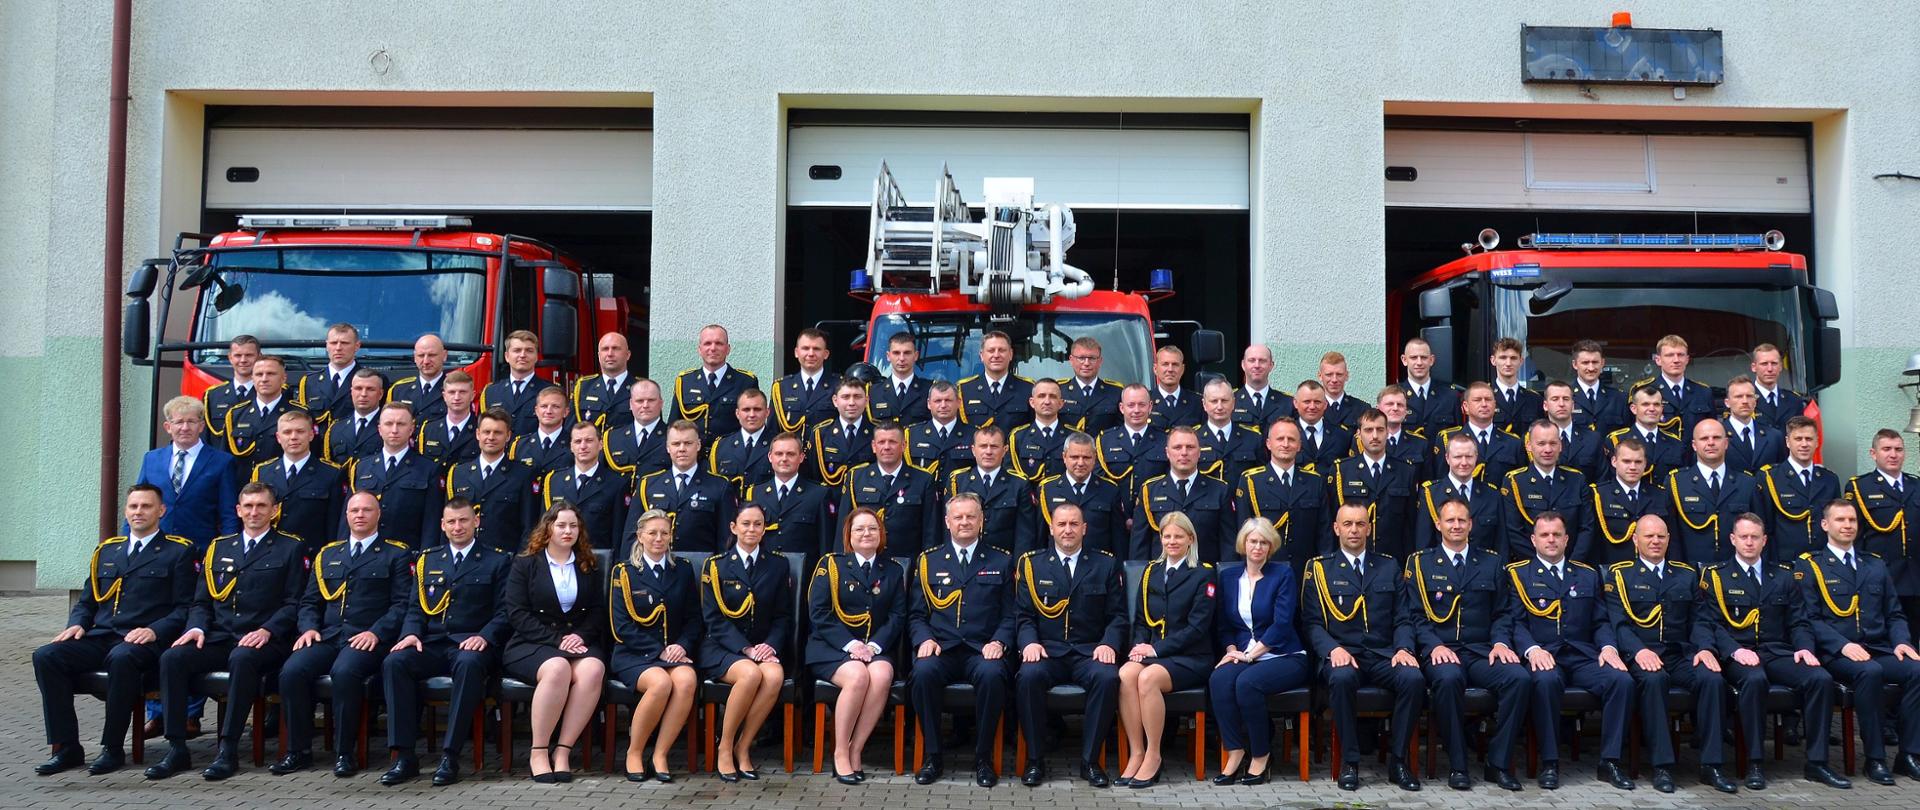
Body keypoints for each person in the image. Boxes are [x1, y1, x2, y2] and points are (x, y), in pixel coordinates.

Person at [148, 482, 307, 781]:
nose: (254, 512)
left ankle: (228, 748)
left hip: (265, 640)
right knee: (173, 658)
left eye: (261, 506)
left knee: (242, 659)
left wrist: (267, 630)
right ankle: (177, 747)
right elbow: (201, 601)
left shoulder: (290, 547)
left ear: (274, 511)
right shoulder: (219, 547)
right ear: (238, 510)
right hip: (220, 635)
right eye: (248, 506)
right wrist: (196, 627)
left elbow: (294, 603)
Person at [33, 485, 193, 777]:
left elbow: (186, 608)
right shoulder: (108, 551)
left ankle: (113, 748)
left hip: (143, 641)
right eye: (133, 507)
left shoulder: (178, 552)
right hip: (102, 637)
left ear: (161, 511)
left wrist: (155, 630)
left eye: (146, 506)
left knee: (122, 658)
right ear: (126, 511)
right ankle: (66, 746)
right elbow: (87, 601)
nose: (138, 512)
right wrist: (77, 624)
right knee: (47, 656)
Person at [1697, 512, 1848, 789]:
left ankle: (1817, 762)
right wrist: (1733, 651)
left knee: (1820, 679)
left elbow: (1799, 621)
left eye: (1755, 537)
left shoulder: (1784, 576)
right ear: (1732, 539)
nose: (1749, 543)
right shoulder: (1716, 577)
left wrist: (1804, 648)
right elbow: (1709, 623)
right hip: (1739, 653)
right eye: (1744, 537)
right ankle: (1755, 762)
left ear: (1765, 540)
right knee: (1754, 680)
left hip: (1777, 651)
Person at [272, 491, 412, 777]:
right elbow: (310, 601)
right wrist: (309, 627)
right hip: (328, 635)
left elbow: (402, 604)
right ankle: (298, 750)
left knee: (345, 672)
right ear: (346, 515)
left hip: (367, 638)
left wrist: (376, 632)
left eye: (366, 510)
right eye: (354, 510)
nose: (359, 515)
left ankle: (344, 752)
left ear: (378, 514)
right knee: (292, 671)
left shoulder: (396, 554)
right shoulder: (328, 554)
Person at [378, 498, 510, 786]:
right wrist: (410, 634)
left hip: (472, 644)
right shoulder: (429, 559)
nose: (458, 527)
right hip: (434, 641)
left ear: (476, 521)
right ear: (442, 525)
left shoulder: (498, 560)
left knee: (468, 664)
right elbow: (415, 608)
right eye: (451, 521)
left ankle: (450, 755)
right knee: (395, 661)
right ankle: (404, 756)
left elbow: (505, 612)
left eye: (463, 520)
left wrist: (485, 636)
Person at [1404, 498, 1529, 791]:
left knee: (1519, 679)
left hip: (1482, 650)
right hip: (1441, 650)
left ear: (1471, 524)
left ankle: (1497, 763)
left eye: (1462, 520)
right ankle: (1458, 765)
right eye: (1450, 520)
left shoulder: (1492, 561)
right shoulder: (1420, 563)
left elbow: (1502, 612)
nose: (1456, 525)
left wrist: (1500, 642)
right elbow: (1414, 616)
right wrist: (1433, 645)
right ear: (1438, 525)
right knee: (1448, 680)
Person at [1794, 499, 1920, 785]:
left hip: (1876, 647)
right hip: (1836, 652)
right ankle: (1875, 759)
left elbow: (1895, 613)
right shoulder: (1811, 566)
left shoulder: (1874, 564)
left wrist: (1902, 642)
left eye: (1851, 520)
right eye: (1840, 520)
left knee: (1916, 669)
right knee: (1870, 672)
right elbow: (1809, 618)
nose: (1847, 525)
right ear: (1825, 525)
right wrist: (1842, 645)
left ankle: (1909, 754)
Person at [1603, 514, 1729, 793]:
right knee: (1653, 680)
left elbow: (1699, 619)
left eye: (1661, 535)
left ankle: (1712, 765)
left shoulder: (1685, 574)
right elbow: (1619, 623)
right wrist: (1638, 651)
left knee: (1713, 679)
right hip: (1642, 655)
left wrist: (1706, 649)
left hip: (1679, 654)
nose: (1655, 541)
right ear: (1635, 540)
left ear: (1669, 539)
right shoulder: (1620, 574)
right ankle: (1662, 767)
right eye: (1649, 536)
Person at [1508, 511, 1633, 791]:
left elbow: (1600, 620)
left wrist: (1609, 648)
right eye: (1544, 535)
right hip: (1545, 654)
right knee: (1545, 681)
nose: (1551, 540)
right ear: (1533, 539)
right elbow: (1514, 622)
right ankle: (1550, 762)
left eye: (1556, 535)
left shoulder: (1587, 574)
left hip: (1583, 654)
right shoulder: (1518, 574)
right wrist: (1531, 649)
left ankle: (1610, 761)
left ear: (1567, 539)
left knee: (1621, 680)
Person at [1303, 503, 1424, 791]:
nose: (1354, 530)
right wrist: (1332, 649)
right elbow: (1311, 623)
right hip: (1343, 653)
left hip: (1383, 654)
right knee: (1341, 678)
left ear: (1369, 528)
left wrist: (1404, 649)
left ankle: (1398, 760)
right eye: (1348, 524)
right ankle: (1350, 761)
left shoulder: (1389, 565)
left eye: (1360, 524)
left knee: (1414, 679)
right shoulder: (1319, 568)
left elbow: (1403, 618)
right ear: (1336, 528)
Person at [1012, 502, 1125, 788]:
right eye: (1061, 524)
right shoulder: (1032, 564)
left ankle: (1090, 761)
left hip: (1089, 651)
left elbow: (1118, 615)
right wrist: (1030, 644)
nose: (1068, 530)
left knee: (1108, 676)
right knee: (1028, 676)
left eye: (1074, 524)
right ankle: (1035, 760)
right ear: (1051, 528)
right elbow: (1023, 615)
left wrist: (1109, 643)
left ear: (1084, 529)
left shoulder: (1106, 564)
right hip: (1048, 650)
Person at [909, 493, 1017, 788]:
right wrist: (924, 640)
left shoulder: (1002, 560)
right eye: (958, 517)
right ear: (947, 522)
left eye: (971, 516)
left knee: (993, 675)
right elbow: (917, 614)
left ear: (982, 521)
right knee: (922, 672)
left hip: (982, 650)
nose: (965, 522)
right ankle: (933, 756)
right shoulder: (928, 560)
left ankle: (983, 757)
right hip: (941, 647)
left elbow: (1011, 614)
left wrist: (999, 642)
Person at [502, 501, 606, 783]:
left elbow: (598, 610)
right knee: (558, 667)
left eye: (573, 525)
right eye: (561, 525)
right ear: (547, 528)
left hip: (577, 640)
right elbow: (516, 612)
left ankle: (562, 751)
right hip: (532, 641)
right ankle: (538, 751)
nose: (568, 531)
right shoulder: (525, 564)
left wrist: (580, 636)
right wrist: (558, 640)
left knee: (593, 669)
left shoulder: (588, 564)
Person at [1115, 512, 1217, 789]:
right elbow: (1140, 620)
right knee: (1126, 674)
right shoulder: (1151, 571)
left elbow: (1198, 628)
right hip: (1153, 652)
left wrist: (1155, 650)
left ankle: (1153, 754)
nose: (1172, 541)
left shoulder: (1203, 573)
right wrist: (1138, 648)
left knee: (1147, 679)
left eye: (1178, 536)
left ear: (1190, 539)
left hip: (1190, 656)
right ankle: (1136, 752)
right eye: (1167, 536)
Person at [807, 508, 907, 784]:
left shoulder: (893, 570)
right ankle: (840, 752)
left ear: (881, 534)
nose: (866, 534)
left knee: (882, 675)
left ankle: (856, 749)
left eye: (872, 529)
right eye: (859, 529)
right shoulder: (832, 565)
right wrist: (851, 645)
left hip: (874, 647)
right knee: (859, 676)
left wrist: (873, 646)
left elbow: (898, 616)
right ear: (848, 536)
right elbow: (819, 613)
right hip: (831, 647)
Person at [1208, 518, 1312, 786]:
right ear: (1243, 543)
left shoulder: (1283, 574)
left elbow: (1282, 624)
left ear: (1270, 546)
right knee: (1219, 679)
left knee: (1247, 683)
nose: (1257, 547)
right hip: (1243, 654)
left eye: (1263, 542)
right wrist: (1232, 651)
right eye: (1253, 541)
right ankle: (1235, 750)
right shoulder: (1229, 577)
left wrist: (1251, 655)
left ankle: (1261, 754)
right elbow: (1224, 625)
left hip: (1284, 655)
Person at [700, 505, 792, 781]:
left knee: (774, 676)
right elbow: (713, 618)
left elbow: (783, 616)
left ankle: (744, 746)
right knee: (751, 674)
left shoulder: (778, 564)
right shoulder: (715, 566)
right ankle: (725, 746)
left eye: (758, 524)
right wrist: (746, 649)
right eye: (746, 524)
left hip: (762, 646)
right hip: (723, 647)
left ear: (765, 529)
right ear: (733, 527)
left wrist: (770, 645)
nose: (752, 530)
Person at [609, 509, 700, 782]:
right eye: (652, 533)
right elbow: (620, 626)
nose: (659, 538)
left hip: (673, 652)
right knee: (660, 683)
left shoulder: (682, 568)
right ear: (640, 536)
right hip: (634, 654)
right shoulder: (624, 572)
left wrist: (682, 645)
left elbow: (694, 618)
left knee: (686, 680)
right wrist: (658, 650)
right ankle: (635, 752)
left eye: (664, 532)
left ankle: (660, 753)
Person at [136, 395, 241, 549]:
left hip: (200, 550)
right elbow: (137, 503)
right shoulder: (151, 459)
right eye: (178, 422)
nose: (185, 428)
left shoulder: (222, 462)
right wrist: (129, 543)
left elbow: (229, 514)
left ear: (201, 426)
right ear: (168, 427)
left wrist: (227, 550)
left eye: (191, 422)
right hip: (155, 550)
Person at [626, 419, 735, 556]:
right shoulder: (648, 484)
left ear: (698, 445)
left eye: (688, 443)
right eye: (676, 444)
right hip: (658, 566)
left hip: (702, 569)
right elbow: (631, 535)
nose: (682, 449)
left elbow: (726, 539)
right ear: (668, 447)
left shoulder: (720, 486)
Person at [1234, 417, 1329, 573]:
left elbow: (1324, 534)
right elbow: (1243, 532)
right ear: (1268, 444)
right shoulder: (1251, 481)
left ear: (1299, 446)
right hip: (1265, 570)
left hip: (1305, 571)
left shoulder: (1315, 482)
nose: (1285, 444)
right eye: (1280, 439)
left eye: (1291, 440)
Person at [345, 402, 445, 548]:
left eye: (401, 424)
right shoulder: (362, 467)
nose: (394, 430)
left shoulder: (429, 469)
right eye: (389, 424)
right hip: (367, 553)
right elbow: (348, 514)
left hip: (408, 552)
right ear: (379, 429)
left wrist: (425, 556)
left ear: (411, 429)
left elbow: (432, 520)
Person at [249, 408, 346, 558]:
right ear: (278, 437)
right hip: (270, 556)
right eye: (287, 432)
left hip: (310, 555)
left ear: (311, 434)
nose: (293, 437)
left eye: (300, 431)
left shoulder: (331, 473)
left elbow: (335, 523)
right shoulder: (263, 472)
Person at [1848, 429, 1920, 625]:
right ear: (1873, 453)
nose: (1893, 455)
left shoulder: (1916, 485)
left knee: (1913, 642)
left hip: (1915, 578)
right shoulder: (1860, 488)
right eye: (1886, 449)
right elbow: (1853, 536)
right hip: (1880, 576)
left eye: (1898, 449)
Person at [1327, 409, 1418, 561]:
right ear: (1358, 433)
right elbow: (1332, 519)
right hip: (1351, 558)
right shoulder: (1342, 470)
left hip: (1393, 559)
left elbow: (1411, 524)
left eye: (1380, 430)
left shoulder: (1406, 471)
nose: (1375, 436)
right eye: (1368, 430)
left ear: (1388, 432)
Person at [839, 422, 939, 560]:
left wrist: (926, 566)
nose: (886, 447)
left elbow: (930, 531)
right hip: (865, 563)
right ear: (874, 446)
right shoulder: (856, 477)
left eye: (892, 442)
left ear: (903, 445)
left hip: (907, 564)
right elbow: (844, 527)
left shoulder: (923, 480)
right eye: (881, 442)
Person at [1131, 427, 1232, 562]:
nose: (1184, 453)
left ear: (1199, 452)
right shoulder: (1149, 491)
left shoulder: (1220, 490)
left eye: (1190, 447)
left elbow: (1228, 543)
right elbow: (1139, 546)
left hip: (1206, 575)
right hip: (1160, 577)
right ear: (1167, 452)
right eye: (1177, 447)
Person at [444, 409, 537, 553]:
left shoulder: (523, 474)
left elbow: (528, 526)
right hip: (466, 559)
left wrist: (519, 562)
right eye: (486, 432)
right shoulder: (458, 473)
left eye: (498, 433)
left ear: (508, 436)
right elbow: (449, 518)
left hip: (506, 560)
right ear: (477, 434)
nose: (491, 437)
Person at [1668, 419, 1758, 565]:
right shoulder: (1677, 482)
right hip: (1691, 571)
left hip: (1736, 573)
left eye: (1716, 438)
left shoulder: (1746, 483)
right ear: (1694, 445)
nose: (1711, 443)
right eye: (1704, 438)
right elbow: (1672, 535)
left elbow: (1759, 530)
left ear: (1726, 443)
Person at [1501, 420, 1589, 561]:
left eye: (1553, 443)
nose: (1548, 450)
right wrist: (1541, 565)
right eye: (1541, 444)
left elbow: (1586, 528)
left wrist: (1571, 564)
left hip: (1573, 565)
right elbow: (1514, 532)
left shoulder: (1577, 480)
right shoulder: (1515, 481)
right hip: (1530, 568)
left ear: (1560, 445)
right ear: (1529, 446)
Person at [542, 421, 632, 553]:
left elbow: (618, 534)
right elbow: (545, 526)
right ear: (571, 446)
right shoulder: (554, 481)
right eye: (578, 441)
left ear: (600, 444)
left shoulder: (617, 483)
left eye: (589, 440)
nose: (583, 446)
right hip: (560, 559)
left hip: (597, 562)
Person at [1758, 415, 1838, 564]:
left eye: (1809, 439)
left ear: (1817, 442)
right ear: (1788, 442)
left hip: (1822, 563)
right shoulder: (1770, 477)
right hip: (1785, 563)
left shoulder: (1830, 480)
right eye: (1798, 439)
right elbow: (1765, 526)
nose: (1804, 444)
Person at [1578, 436, 1669, 566]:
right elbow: (1592, 539)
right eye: (1626, 461)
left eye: (1638, 462)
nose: (1632, 467)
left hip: (1651, 572)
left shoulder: (1660, 494)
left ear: (1645, 464)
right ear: (1614, 461)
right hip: (1612, 569)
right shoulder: (1598, 494)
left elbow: (1671, 539)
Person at [946, 426, 1038, 555]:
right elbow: (948, 526)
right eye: (983, 446)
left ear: (1005, 450)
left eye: (994, 447)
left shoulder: (1019, 484)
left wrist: (1018, 568)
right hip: (966, 559)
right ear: (973, 450)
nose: (988, 452)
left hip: (1004, 562)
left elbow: (1025, 534)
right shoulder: (957, 481)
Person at [1035, 432, 1127, 558]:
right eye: (1074, 457)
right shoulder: (1047, 490)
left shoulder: (1110, 490)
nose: (1080, 463)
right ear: (1064, 457)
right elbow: (1039, 536)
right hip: (1056, 567)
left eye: (1086, 457)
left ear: (1095, 458)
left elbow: (1118, 539)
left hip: (1098, 567)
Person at [745, 432, 834, 558]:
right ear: (770, 457)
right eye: (779, 454)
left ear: (801, 457)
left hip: (805, 574)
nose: (784, 459)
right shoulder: (755, 493)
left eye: (790, 454)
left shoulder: (819, 494)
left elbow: (826, 543)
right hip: (764, 572)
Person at [1413, 433, 1501, 553]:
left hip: (1484, 568)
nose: (1464, 463)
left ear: (1476, 457)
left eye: (1469, 456)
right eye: (1458, 457)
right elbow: (1424, 543)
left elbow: (1501, 543)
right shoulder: (1431, 493)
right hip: (1442, 568)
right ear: (1447, 458)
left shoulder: (1492, 494)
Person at [673, 324, 758, 443]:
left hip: (730, 456)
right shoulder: (684, 382)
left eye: (719, 343)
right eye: (707, 343)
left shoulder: (746, 382)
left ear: (728, 349)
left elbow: (754, 425)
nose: (713, 348)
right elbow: (674, 425)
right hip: (694, 457)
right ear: (699, 349)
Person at [224, 355, 302, 469]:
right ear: (253, 378)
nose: (264, 379)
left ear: (283, 378)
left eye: (271, 374)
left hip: (280, 484)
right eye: (259, 374)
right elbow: (225, 459)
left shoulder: (300, 414)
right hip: (244, 485)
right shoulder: (236, 415)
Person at [1094, 384, 1168, 501]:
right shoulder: (1105, 441)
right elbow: (1099, 482)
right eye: (1131, 405)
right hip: (1117, 512)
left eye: (1142, 405)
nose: (1136, 410)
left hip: (1153, 510)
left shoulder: (1165, 440)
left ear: (1150, 407)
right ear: (1122, 408)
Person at [1438, 382, 1523, 484]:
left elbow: (1519, 483)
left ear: (1495, 404)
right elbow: (1440, 483)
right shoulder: (1447, 439)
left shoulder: (1513, 442)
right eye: (1477, 400)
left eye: (1488, 400)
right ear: (1465, 406)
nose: (1484, 404)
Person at [1640, 335, 1715, 446]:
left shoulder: (1703, 392)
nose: (1676, 360)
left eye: (1680, 355)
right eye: (1670, 355)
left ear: (1687, 359)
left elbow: (1712, 429)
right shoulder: (1645, 392)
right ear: (1658, 360)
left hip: (1694, 458)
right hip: (1661, 459)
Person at [957, 330, 1034, 429]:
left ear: (1010, 354)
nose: (996, 355)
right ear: (981, 355)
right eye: (991, 350)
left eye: (1001, 350)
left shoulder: (1028, 388)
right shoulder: (964, 390)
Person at [1608, 383, 1686, 482]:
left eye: (1656, 404)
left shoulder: (1675, 443)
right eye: (1645, 404)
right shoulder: (1616, 440)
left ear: (1662, 409)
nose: (1652, 409)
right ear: (1634, 409)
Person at [771, 327, 840, 436]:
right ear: (796, 352)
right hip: (792, 452)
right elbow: (773, 430)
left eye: (816, 349)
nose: (811, 353)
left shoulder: (839, 386)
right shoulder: (782, 388)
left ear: (826, 354)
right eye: (805, 348)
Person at [297, 322, 367, 426]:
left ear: (357, 346)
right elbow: (302, 422)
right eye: (333, 343)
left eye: (345, 343)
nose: (338, 348)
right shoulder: (309, 382)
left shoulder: (370, 380)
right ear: (326, 346)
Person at [808, 378, 875, 487]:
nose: (851, 403)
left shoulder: (877, 433)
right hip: (830, 501)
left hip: (865, 500)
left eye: (857, 397)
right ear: (835, 401)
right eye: (845, 397)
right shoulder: (820, 434)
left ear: (866, 401)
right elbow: (812, 477)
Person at [708, 387, 774, 494]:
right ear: (737, 413)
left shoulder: (778, 444)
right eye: (746, 410)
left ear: (767, 412)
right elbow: (713, 487)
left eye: (757, 409)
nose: (752, 415)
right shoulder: (721, 446)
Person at [904, 381, 976, 478]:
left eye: (948, 400)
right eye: (938, 401)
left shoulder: (974, 435)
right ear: (929, 404)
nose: (943, 405)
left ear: (959, 402)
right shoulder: (911, 434)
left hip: (960, 492)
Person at [1195, 378, 1262, 482]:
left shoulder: (1253, 438)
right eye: (1214, 401)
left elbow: (1261, 477)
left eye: (1224, 401)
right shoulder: (1194, 439)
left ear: (1233, 403)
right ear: (1204, 404)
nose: (1220, 406)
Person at [602, 379, 671, 479]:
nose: (645, 405)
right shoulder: (612, 438)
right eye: (639, 401)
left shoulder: (673, 438)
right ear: (630, 404)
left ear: (661, 403)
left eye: (651, 400)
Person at [479, 330, 543, 435]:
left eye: (529, 350)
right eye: (517, 350)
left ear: (536, 356)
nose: (522, 355)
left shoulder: (548, 391)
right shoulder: (491, 392)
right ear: (507, 356)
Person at [573, 332, 639, 430]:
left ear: (628, 355)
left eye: (616, 348)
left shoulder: (641, 388)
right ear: (599, 356)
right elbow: (571, 431)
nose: (610, 354)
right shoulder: (583, 388)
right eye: (605, 349)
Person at [1007, 378, 1070, 481]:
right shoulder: (1017, 438)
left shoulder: (1073, 437)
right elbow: (1011, 476)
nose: (1047, 401)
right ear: (1032, 402)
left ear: (1061, 403)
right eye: (1041, 396)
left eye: (1053, 397)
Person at [1722, 376, 1786, 475]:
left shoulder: (1774, 436)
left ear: (1755, 401)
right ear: (1727, 402)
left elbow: (1782, 474)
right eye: (1738, 396)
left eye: (1749, 396)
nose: (1745, 401)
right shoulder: (1717, 436)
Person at [416, 370, 478, 472]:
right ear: (444, 396)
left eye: (462, 392)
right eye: (452, 392)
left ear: (472, 395)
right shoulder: (428, 429)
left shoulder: (481, 429)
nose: (457, 397)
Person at [1059, 336, 1123, 434]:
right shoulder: (1059, 391)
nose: (1086, 363)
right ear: (1071, 360)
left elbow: (1122, 430)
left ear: (1100, 361)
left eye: (1092, 358)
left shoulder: (1116, 392)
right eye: (1081, 358)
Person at [202, 335, 260, 441]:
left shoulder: (270, 393)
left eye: (249, 355)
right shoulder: (213, 395)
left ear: (259, 357)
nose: (243, 360)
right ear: (230, 358)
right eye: (238, 355)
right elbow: (205, 437)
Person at [1400, 338, 1461, 438]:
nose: (1419, 362)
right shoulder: (1394, 396)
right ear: (1404, 360)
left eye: (1424, 357)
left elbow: (1458, 436)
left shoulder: (1450, 396)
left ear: (1431, 360)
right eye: (1414, 357)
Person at [323, 368, 387, 464]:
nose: (363, 394)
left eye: (370, 389)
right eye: (358, 388)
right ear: (351, 392)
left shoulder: (390, 426)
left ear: (381, 394)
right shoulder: (335, 428)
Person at [1569, 340, 1631, 436]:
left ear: (1602, 363)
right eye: (1585, 363)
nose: (1591, 368)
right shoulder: (1565, 397)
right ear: (1575, 364)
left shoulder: (1620, 398)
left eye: (1595, 362)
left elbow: (1628, 435)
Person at [509, 385, 574, 477]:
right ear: (536, 410)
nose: (548, 411)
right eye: (544, 406)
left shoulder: (574, 443)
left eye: (555, 407)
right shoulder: (520, 445)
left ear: (566, 412)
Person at [868, 333, 930, 425]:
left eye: (907, 353)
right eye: (896, 353)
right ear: (888, 356)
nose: (901, 358)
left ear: (916, 356)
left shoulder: (929, 390)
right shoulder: (873, 392)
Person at [1541, 380, 1603, 474]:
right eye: (1555, 399)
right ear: (1545, 406)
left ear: (1573, 405)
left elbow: (1602, 478)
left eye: (1566, 399)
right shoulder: (1535, 439)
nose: (1561, 404)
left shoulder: (1592, 439)